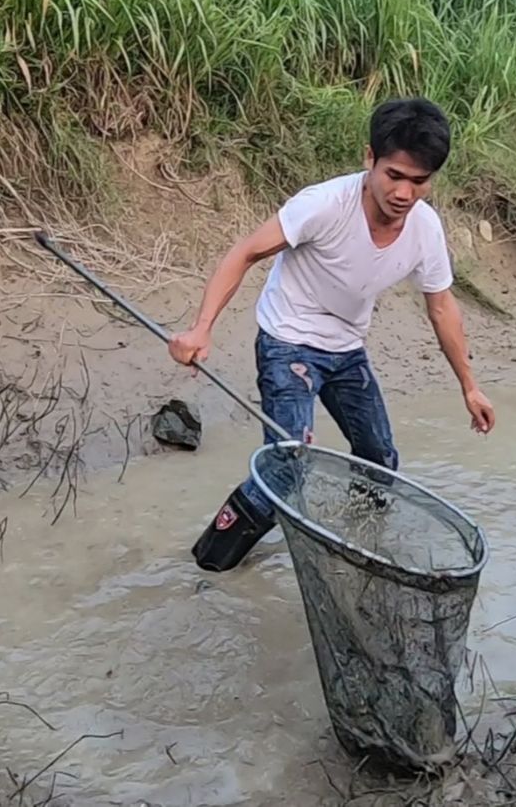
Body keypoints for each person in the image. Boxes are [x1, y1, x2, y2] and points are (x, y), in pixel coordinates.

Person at [167, 97, 496, 572]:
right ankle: (209, 563)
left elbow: (441, 306)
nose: (404, 192)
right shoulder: (323, 206)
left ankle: (357, 549)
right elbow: (245, 252)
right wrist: (202, 328)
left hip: (346, 350)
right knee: (288, 469)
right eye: (394, 175)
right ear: (370, 159)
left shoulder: (425, 229)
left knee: (380, 460)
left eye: (418, 181)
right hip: (288, 342)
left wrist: (469, 385)